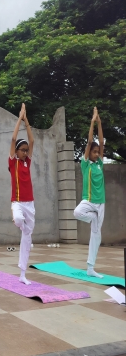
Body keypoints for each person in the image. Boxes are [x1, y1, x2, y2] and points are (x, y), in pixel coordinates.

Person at [73, 107, 105, 278]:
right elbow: (90, 141)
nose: (96, 154)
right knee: (77, 212)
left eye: (98, 152)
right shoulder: (85, 164)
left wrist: (100, 123)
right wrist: (92, 122)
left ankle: (90, 268)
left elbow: (101, 141)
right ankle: (92, 217)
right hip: (89, 201)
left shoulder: (99, 164)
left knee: (96, 235)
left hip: (101, 203)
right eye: (94, 152)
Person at [9, 103, 35, 285]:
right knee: (18, 220)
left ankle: (23, 274)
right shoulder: (13, 163)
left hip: (30, 204)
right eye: (22, 150)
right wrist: (20, 118)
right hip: (17, 202)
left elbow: (32, 142)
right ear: (17, 151)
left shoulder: (27, 163)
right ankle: (21, 224)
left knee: (26, 239)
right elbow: (13, 139)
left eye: (26, 151)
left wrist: (27, 122)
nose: (25, 152)